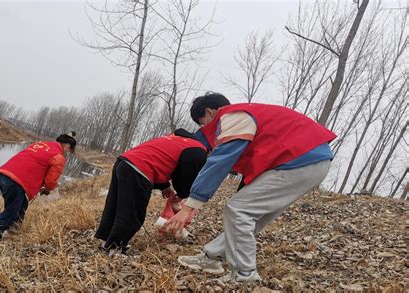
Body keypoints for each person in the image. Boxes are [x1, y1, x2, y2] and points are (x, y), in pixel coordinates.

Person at [163, 93, 336, 282]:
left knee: (238, 210)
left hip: (298, 159)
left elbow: (219, 161)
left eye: (202, 124)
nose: (206, 131)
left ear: (210, 112)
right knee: (248, 214)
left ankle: (245, 275)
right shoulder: (250, 116)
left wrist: (189, 207)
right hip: (309, 161)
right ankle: (212, 257)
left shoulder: (232, 116)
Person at [94, 128, 207, 255]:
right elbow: (185, 175)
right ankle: (114, 248)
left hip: (123, 162)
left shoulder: (176, 139)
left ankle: (105, 239)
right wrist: (182, 194)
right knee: (132, 214)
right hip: (140, 169)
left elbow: (158, 159)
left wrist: (165, 186)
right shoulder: (198, 149)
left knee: (114, 206)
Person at [0, 132, 77, 241]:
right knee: (12, 211)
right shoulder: (58, 157)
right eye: (69, 151)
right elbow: (51, 181)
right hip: (16, 181)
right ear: (67, 146)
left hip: (3, 173)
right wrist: (46, 190)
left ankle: (13, 230)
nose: (67, 153)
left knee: (22, 204)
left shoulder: (41, 145)